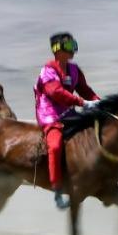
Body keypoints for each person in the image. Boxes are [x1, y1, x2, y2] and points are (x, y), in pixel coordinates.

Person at [34, 32, 100, 209]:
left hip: (69, 112)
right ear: (57, 49)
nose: (73, 50)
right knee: (54, 146)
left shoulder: (74, 70)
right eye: (70, 46)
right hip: (50, 114)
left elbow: (86, 90)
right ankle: (57, 189)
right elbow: (56, 92)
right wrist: (81, 102)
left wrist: (98, 102)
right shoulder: (48, 70)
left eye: (74, 45)